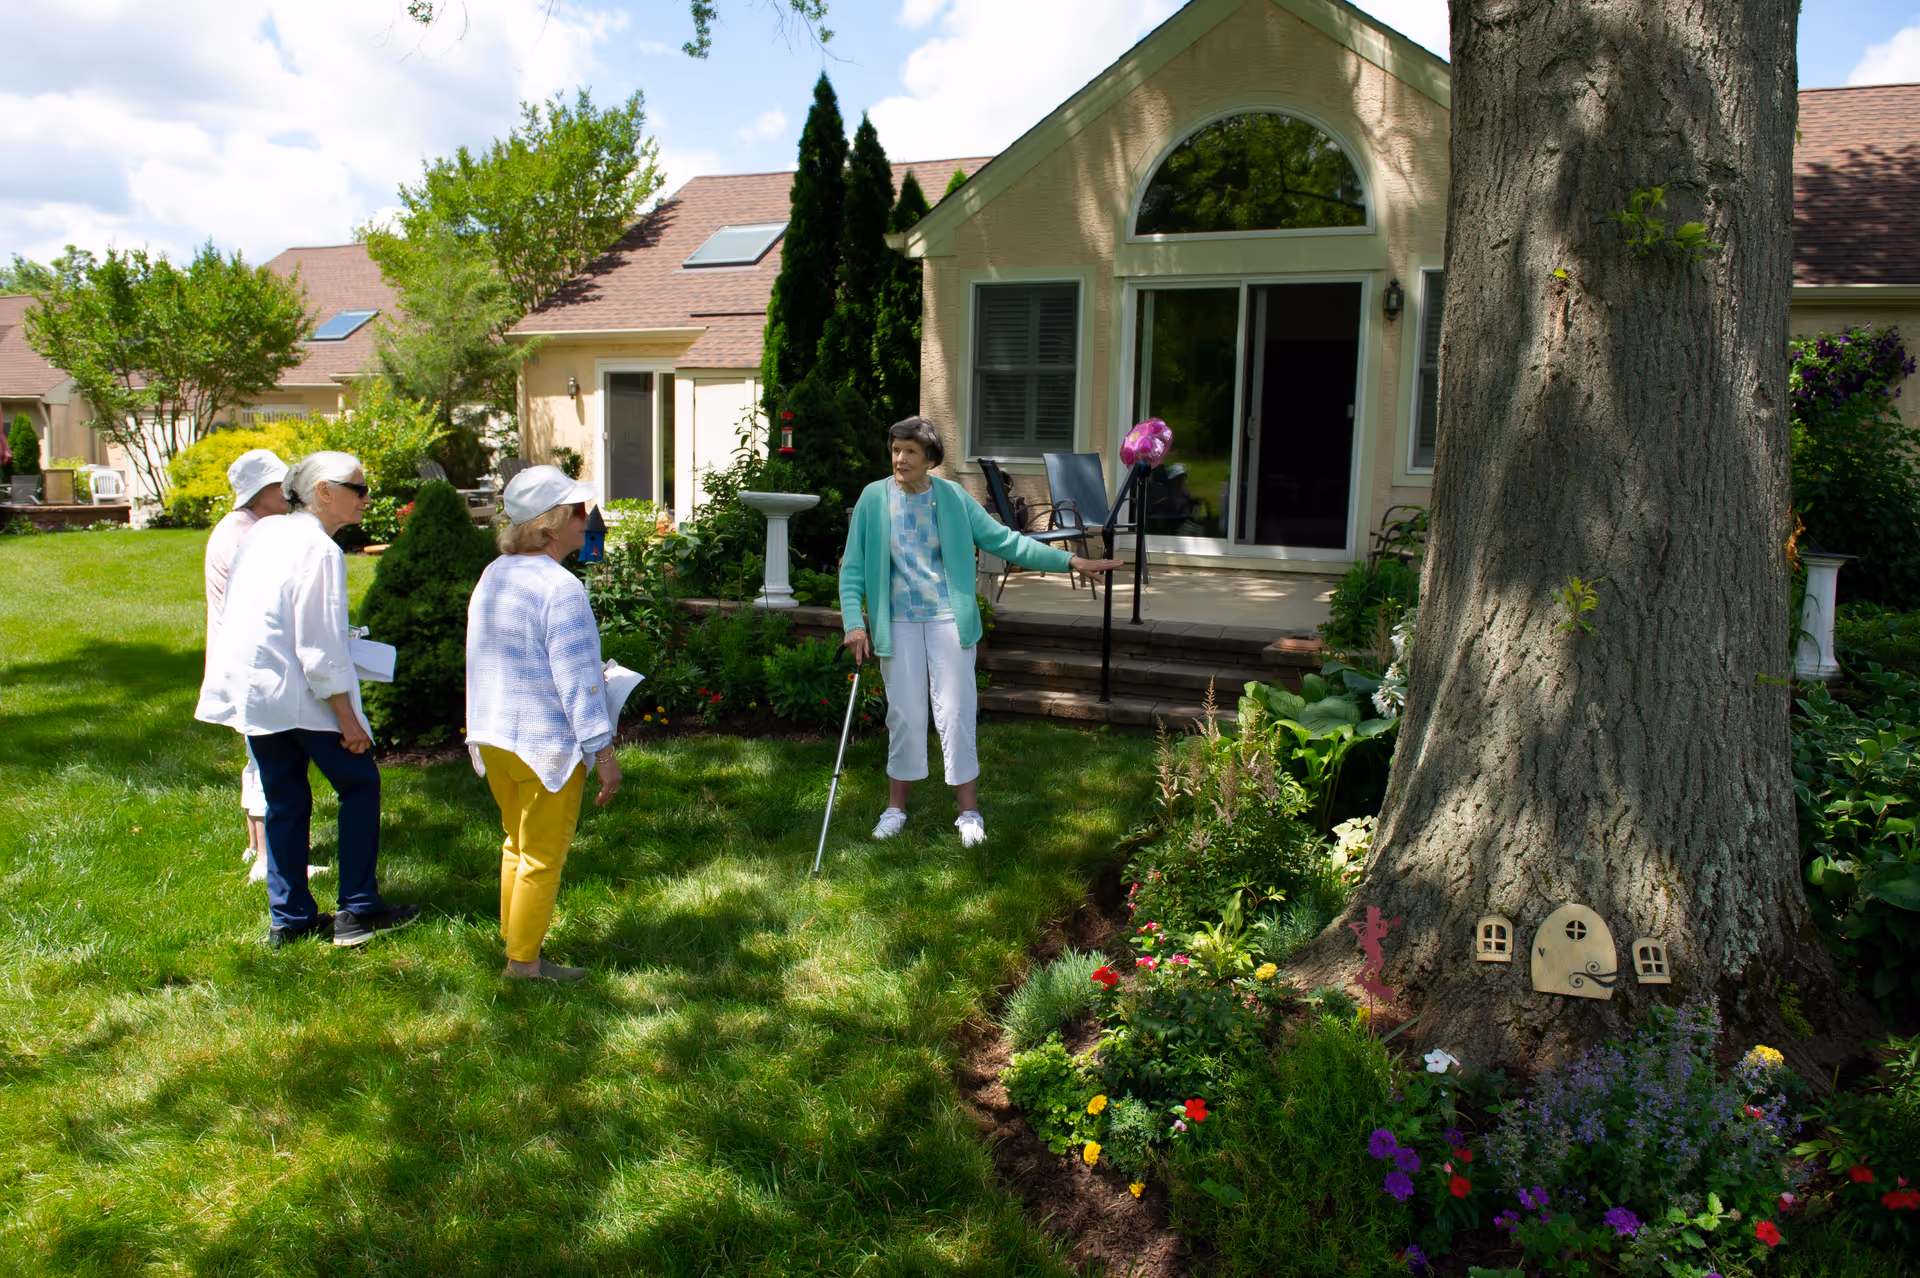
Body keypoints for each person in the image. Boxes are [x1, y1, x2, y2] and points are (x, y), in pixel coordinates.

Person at [841, 417, 1122, 846]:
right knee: (904, 715)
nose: (900, 458)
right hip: (895, 623)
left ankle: (968, 812)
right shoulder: (873, 499)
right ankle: (895, 809)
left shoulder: (952, 498)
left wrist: (1070, 561)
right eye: (896, 449)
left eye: (910, 451)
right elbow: (854, 568)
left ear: (930, 458)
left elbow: (1006, 542)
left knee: (955, 711)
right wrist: (854, 623)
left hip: (948, 621)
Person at [196, 451, 420, 948]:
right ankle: (359, 911)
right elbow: (316, 644)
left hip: (258, 695)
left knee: (284, 801)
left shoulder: (261, 533)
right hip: (302, 695)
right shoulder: (319, 550)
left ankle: (290, 919)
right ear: (323, 491)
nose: (367, 498)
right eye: (358, 489)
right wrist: (348, 718)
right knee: (360, 786)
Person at [465, 465, 621, 983]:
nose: (588, 520)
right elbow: (579, 683)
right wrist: (604, 755)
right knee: (542, 856)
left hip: (494, 736)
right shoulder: (561, 587)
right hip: (545, 743)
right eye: (579, 511)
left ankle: (516, 944)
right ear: (551, 526)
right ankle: (524, 965)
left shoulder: (494, 573)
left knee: (516, 843)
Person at [202, 447, 325, 885]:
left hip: (243, 661)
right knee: (268, 761)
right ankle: (268, 859)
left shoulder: (243, 527)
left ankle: (260, 848)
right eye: (280, 487)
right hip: (250, 664)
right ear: (260, 492)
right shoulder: (243, 533)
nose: (288, 494)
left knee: (261, 758)